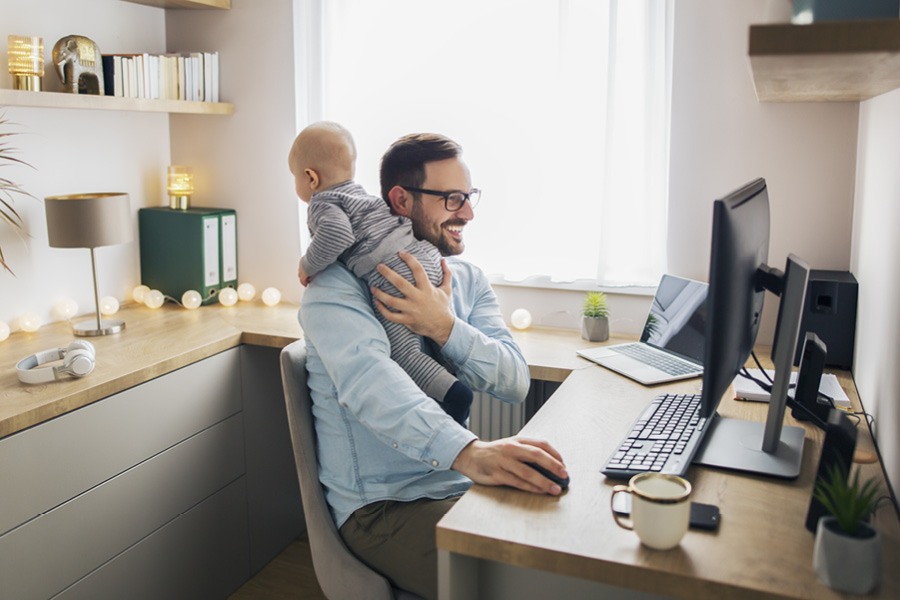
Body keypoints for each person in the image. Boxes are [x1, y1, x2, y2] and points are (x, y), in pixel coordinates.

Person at [296, 132, 567, 600]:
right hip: (384, 509)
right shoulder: (335, 289)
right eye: (452, 199)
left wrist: (445, 327)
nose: (468, 213)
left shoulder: (467, 280)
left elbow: (514, 381)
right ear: (401, 200)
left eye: (469, 197)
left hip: (458, 484)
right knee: (537, 583)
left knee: (581, 547)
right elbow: (372, 388)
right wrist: (471, 453)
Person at [290, 121, 472, 424]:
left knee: (403, 351)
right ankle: (449, 376)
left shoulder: (324, 202)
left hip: (397, 271)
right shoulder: (361, 196)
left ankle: (454, 396)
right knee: (431, 336)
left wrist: (307, 264)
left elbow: (337, 236)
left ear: (310, 177)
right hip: (424, 256)